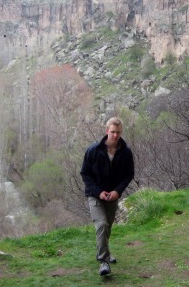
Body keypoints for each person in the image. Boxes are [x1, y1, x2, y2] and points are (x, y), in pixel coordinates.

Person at [80, 117, 135, 276]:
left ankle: (106, 253)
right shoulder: (93, 150)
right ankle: (103, 262)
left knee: (108, 227)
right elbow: (85, 174)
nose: (115, 135)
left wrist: (117, 191)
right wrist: (98, 192)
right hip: (95, 195)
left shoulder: (125, 152)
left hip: (113, 195)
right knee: (102, 224)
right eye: (112, 132)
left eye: (118, 132)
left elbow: (129, 174)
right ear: (106, 131)